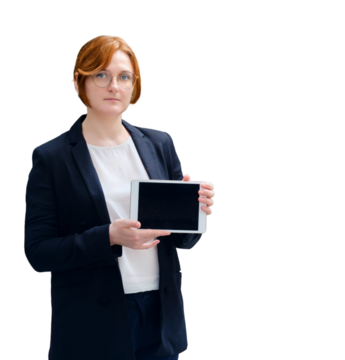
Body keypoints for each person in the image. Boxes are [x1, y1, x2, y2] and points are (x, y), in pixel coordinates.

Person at [24, 33, 214, 360]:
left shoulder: (160, 143)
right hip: (93, 322)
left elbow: (182, 242)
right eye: (101, 74)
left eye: (124, 77)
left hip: (161, 314)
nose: (114, 85)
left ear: (134, 86)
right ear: (78, 82)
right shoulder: (51, 157)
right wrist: (109, 237)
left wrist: (193, 213)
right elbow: (39, 252)